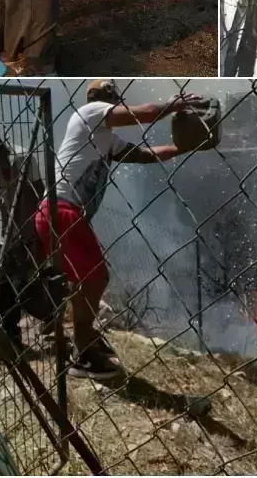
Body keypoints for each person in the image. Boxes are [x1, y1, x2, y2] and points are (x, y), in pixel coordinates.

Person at [36, 81, 204, 379]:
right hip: (62, 211)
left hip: (57, 213)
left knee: (83, 281)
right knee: (97, 278)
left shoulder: (104, 139)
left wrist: (182, 148)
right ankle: (83, 352)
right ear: (108, 99)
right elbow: (145, 112)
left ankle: (83, 342)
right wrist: (175, 104)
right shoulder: (91, 112)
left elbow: (145, 155)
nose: (117, 107)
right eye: (116, 102)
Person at [0, 113, 49, 349]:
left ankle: (51, 317)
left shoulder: (23, 158)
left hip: (30, 232)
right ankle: (12, 341)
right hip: (6, 236)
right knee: (2, 288)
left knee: (26, 286)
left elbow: (40, 194)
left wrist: (39, 233)